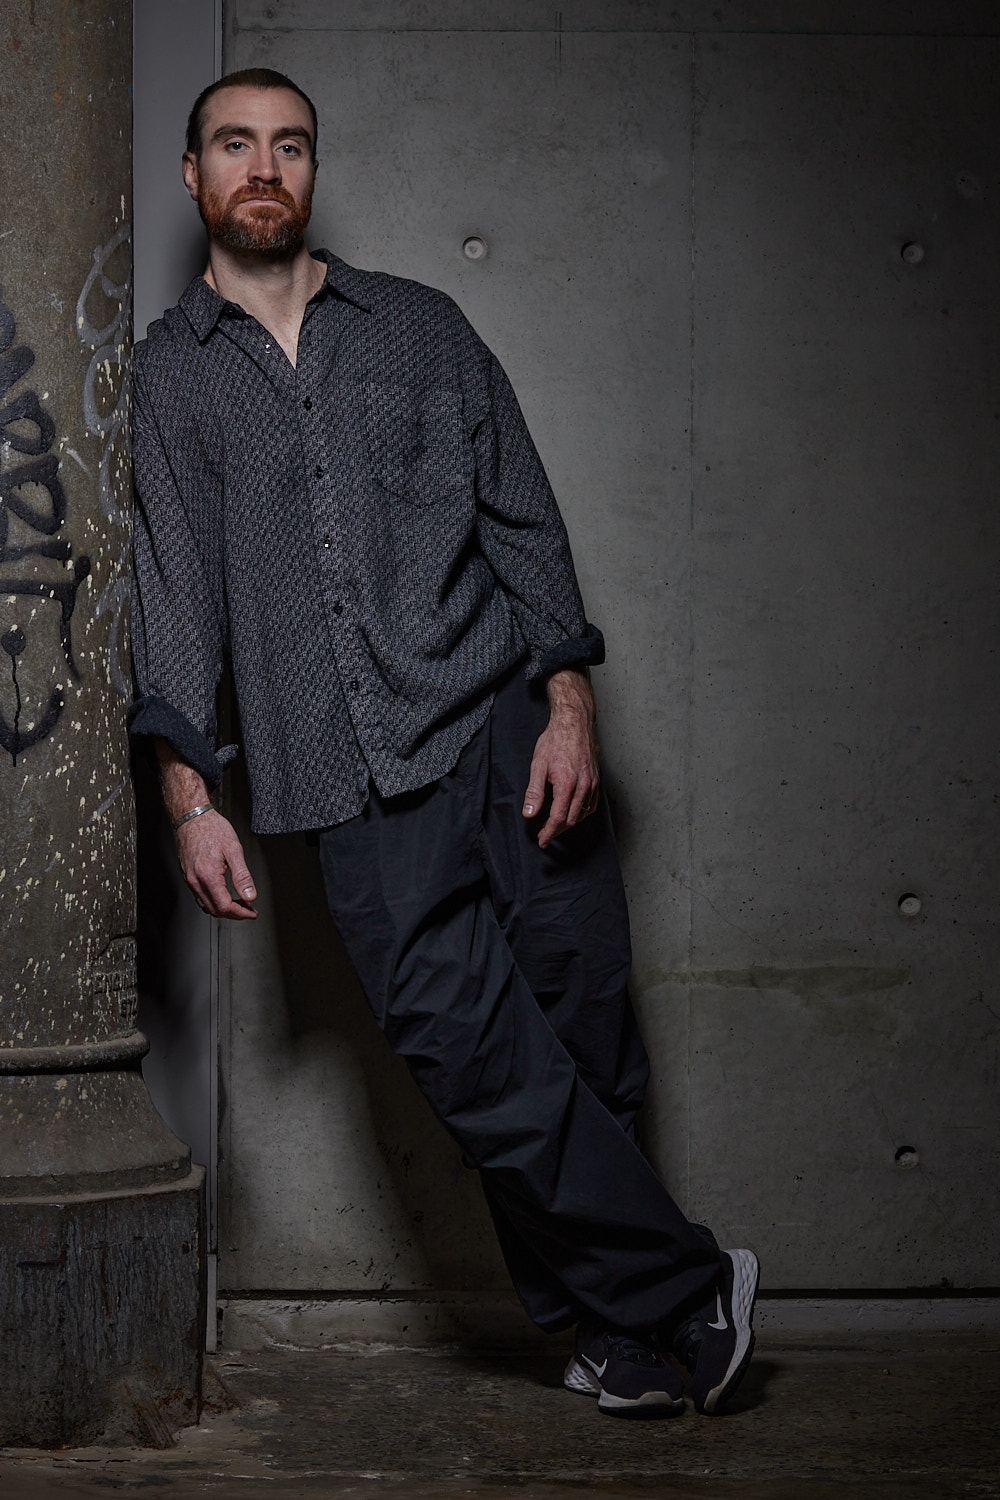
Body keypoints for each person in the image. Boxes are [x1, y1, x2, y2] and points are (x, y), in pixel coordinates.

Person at [129, 67, 759, 1419]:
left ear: (313, 169)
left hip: (505, 726)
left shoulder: (422, 328)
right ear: (194, 177)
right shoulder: (170, 383)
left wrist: (573, 710)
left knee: (584, 1040)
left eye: (288, 146)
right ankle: (683, 1286)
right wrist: (191, 795)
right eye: (234, 146)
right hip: (336, 773)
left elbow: (525, 523)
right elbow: (177, 596)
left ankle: (621, 1338)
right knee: (477, 1063)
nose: (264, 168)